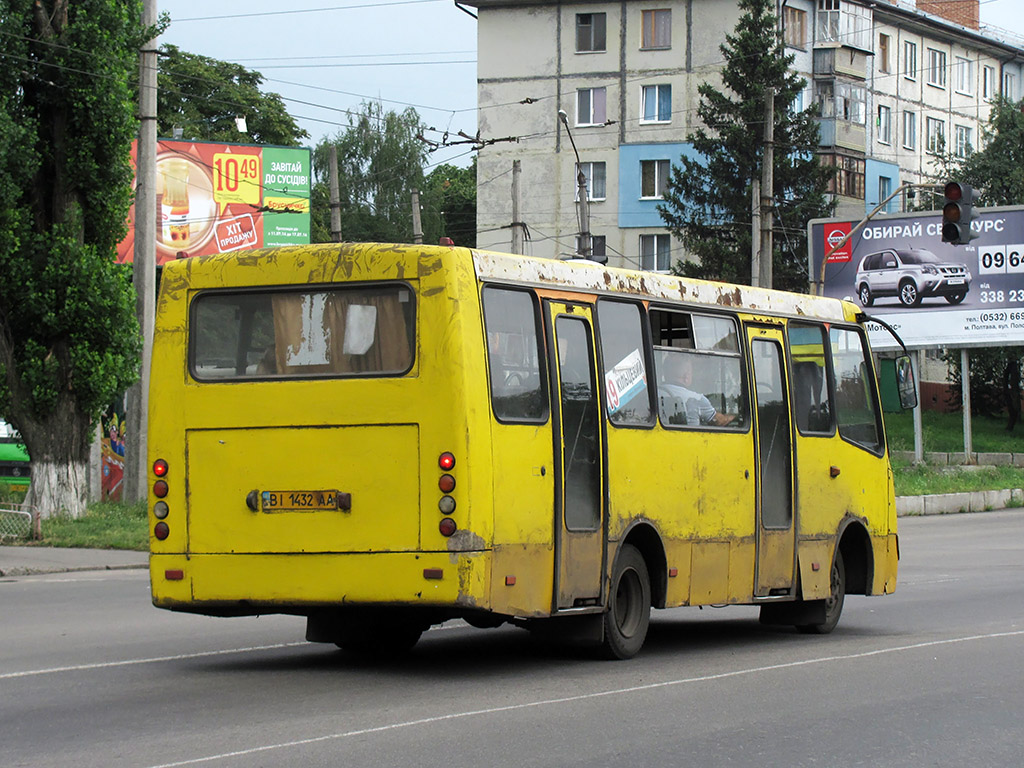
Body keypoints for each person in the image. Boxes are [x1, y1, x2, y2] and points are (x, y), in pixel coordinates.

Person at [659, 352, 735, 426]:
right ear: (686, 376)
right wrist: (732, 417)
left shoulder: (650, 394)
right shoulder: (697, 399)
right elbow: (718, 421)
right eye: (691, 372)